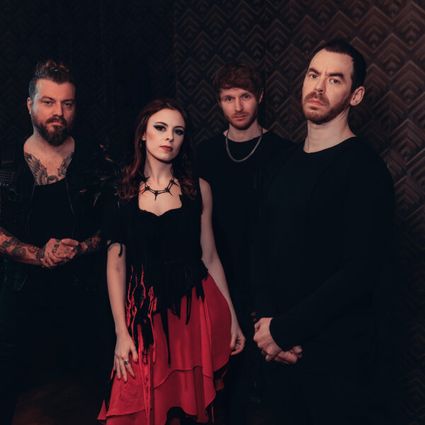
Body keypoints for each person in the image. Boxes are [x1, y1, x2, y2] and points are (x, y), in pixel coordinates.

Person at [253, 39, 395, 425]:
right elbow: (261, 247)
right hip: (278, 357)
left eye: (335, 79)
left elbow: (360, 273)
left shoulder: (365, 170)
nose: (318, 87)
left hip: (337, 362)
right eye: (313, 74)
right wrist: (266, 326)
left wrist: (283, 331)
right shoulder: (281, 162)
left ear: (356, 95)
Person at [98, 98, 245, 425]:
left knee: (189, 408)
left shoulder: (199, 189)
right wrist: (121, 332)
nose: (169, 137)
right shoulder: (121, 192)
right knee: (134, 403)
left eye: (178, 131)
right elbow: (115, 266)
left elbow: (210, 256)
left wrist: (233, 318)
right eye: (161, 128)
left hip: (193, 312)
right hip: (143, 313)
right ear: (143, 134)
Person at [0, 60, 104, 425]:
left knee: (97, 394)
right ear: (29, 104)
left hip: (85, 295)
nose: (58, 112)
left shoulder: (96, 159)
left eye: (67, 103)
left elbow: (115, 226)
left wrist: (81, 247)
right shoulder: (5, 162)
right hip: (19, 295)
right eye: (48, 102)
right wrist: (38, 254)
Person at [196, 63, 293, 424]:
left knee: (275, 382)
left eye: (245, 96)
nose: (237, 107)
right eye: (228, 98)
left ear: (260, 98)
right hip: (220, 275)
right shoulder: (205, 154)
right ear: (219, 101)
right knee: (229, 381)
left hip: (270, 278)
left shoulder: (283, 152)